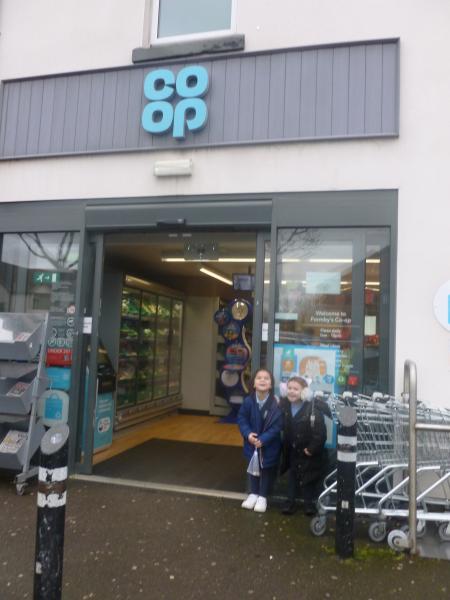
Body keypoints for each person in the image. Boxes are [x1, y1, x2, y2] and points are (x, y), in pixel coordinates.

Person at [279, 375, 327, 516]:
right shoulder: (285, 405)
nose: (291, 391)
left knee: (308, 478)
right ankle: (290, 502)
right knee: (292, 476)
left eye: (296, 389)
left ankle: (308, 504)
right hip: (293, 450)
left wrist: (311, 449)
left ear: (305, 392)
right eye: (289, 388)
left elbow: (320, 434)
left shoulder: (312, 409)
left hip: (307, 452)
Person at [237, 368, 283, 513]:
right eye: (259, 378)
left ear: (271, 384)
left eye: (266, 378)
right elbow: (242, 419)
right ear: (254, 383)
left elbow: (278, 426)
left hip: (269, 445)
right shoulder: (248, 402)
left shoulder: (276, 403)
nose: (262, 380)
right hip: (252, 444)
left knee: (267, 469)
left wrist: (263, 439)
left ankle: (263, 496)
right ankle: (253, 494)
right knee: (253, 468)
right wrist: (248, 434)